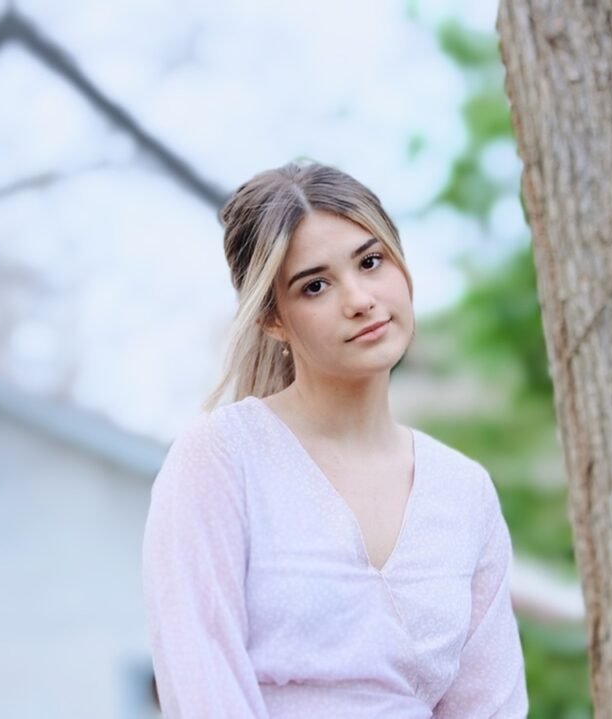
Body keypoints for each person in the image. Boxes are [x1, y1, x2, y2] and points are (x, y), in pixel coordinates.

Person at [141, 160, 528, 717]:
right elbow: (203, 684)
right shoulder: (223, 458)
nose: (360, 299)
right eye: (316, 285)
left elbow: (490, 706)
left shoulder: (465, 492)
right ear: (272, 318)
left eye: (371, 262)